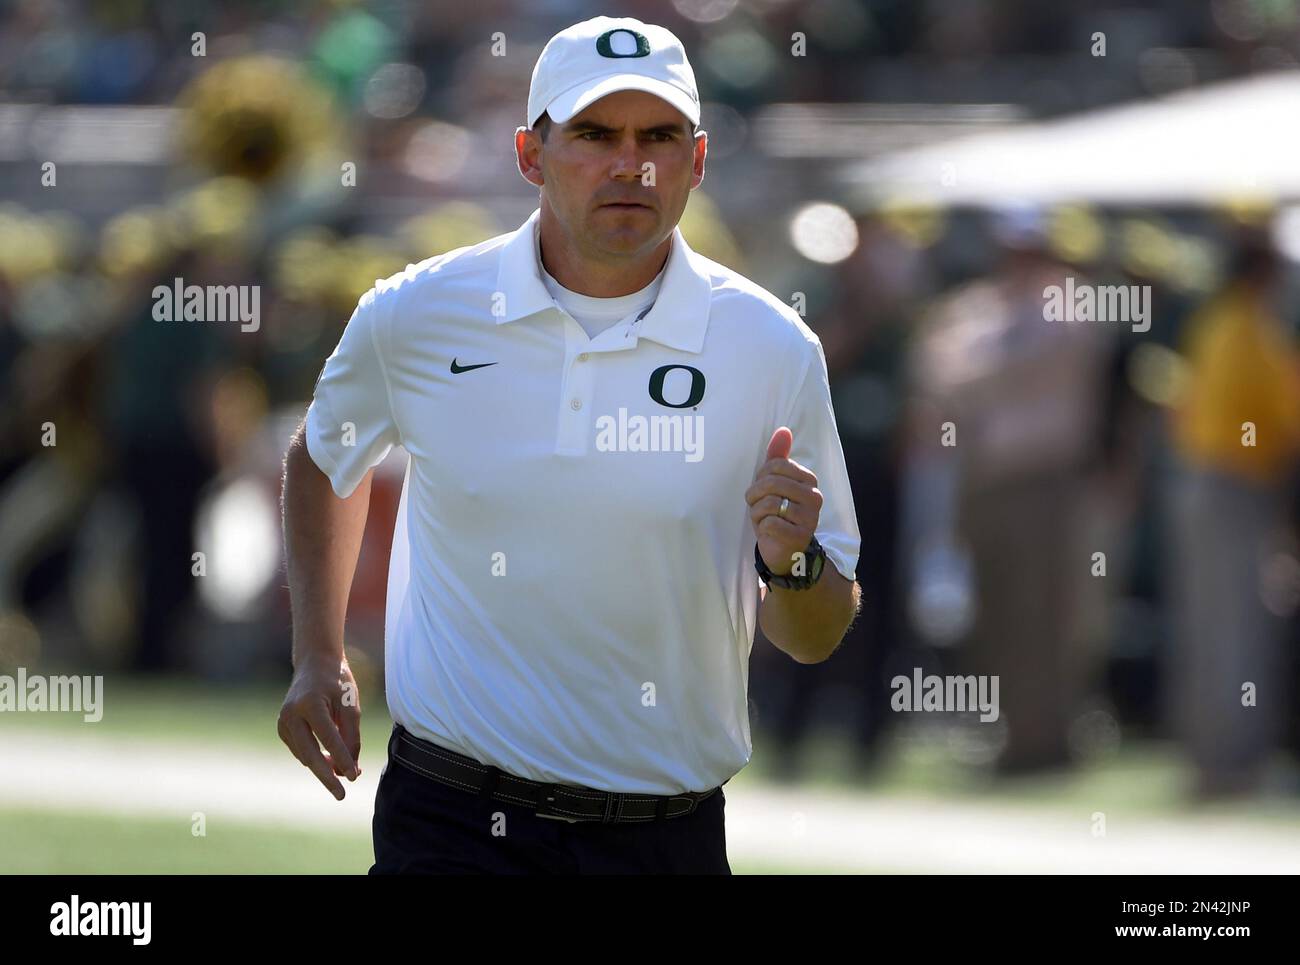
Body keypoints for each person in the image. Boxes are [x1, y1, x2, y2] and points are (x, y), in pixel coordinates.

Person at [277, 15, 861, 874]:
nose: (631, 163)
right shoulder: (417, 312)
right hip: (450, 823)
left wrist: (795, 561)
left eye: (659, 136)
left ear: (697, 161)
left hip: (665, 837)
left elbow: (813, 633)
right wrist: (317, 655)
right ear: (529, 154)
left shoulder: (772, 348)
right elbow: (325, 457)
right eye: (593, 134)